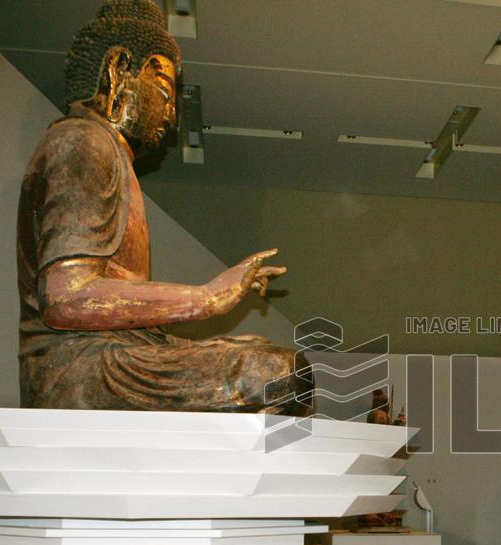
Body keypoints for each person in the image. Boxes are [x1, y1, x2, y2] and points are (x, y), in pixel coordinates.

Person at [17, 0, 309, 413]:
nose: (170, 117)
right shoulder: (81, 142)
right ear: (119, 72)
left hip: (120, 352)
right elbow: (66, 298)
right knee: (272, 372)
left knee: (270, 361)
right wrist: (206, 298)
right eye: (164, 93)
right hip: (77, 366)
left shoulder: (108, 153)